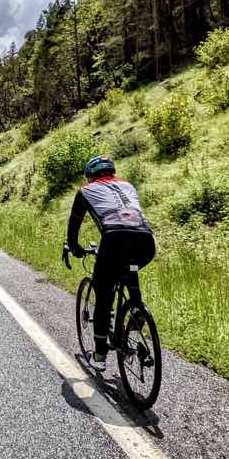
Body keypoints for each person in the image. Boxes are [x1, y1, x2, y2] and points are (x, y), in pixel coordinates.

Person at [64, 155, 156, 371]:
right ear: (111, 172)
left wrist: (73, 246)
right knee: (130, 269)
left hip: (114, 240)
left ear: (90, 176)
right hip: (145, 242)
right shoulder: (127, 185)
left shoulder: (85, 191)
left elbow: (74, 222)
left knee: (104, 296)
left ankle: (100, 355)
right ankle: (136, 314)